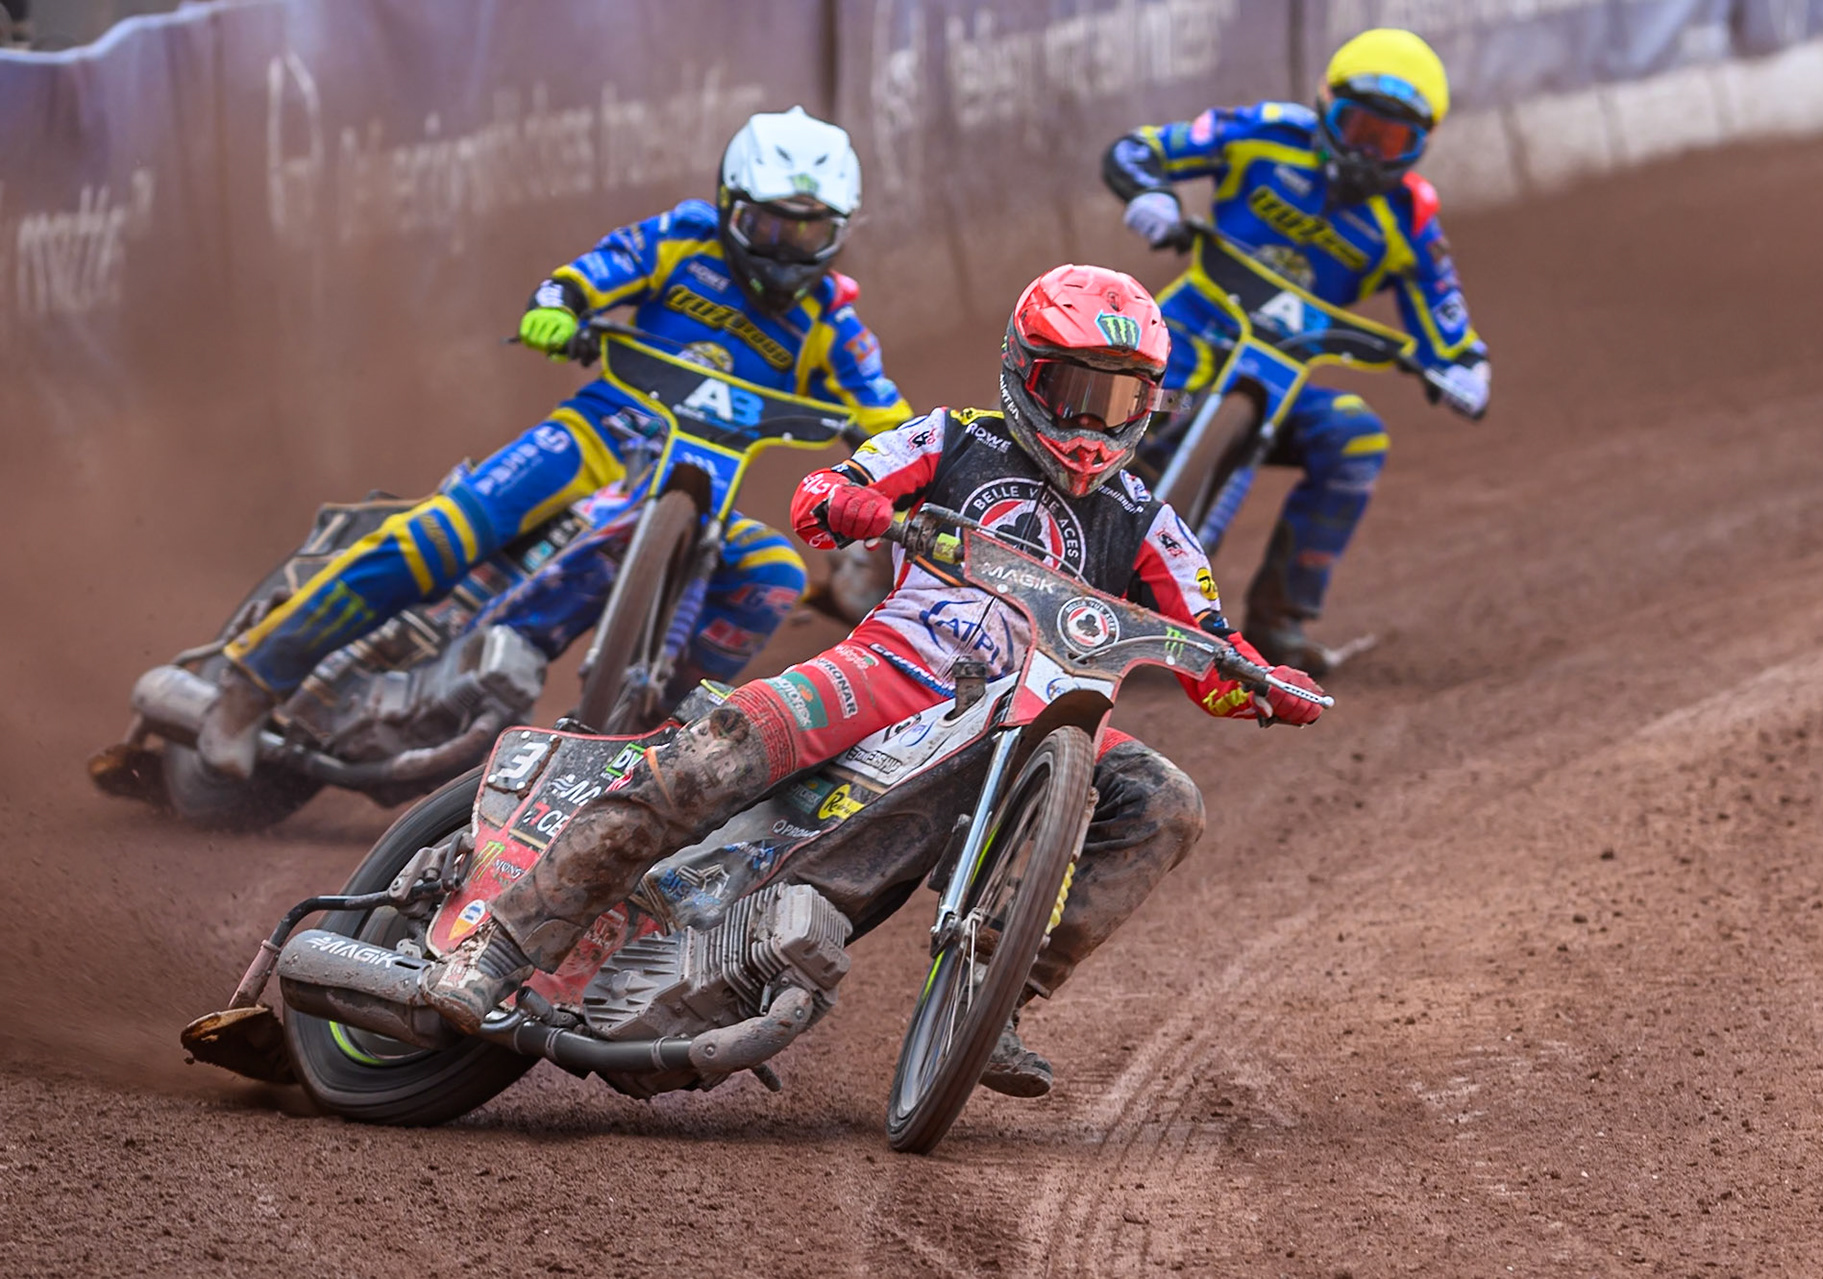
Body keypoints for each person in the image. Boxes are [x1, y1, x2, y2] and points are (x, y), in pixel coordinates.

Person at [423, 264, 1328, 1097]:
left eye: (1118, 398)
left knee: (1169, 801)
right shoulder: (953, 439)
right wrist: (859, 504)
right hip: (892, 671)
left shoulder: (1148, 521)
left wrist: (1260, 681)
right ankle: (497, 948)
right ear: (1025, 370)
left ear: (1148, 404)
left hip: (1033, 723)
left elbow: (1210, 647)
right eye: (1074, 392)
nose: (1092, 423)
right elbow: (823, 495)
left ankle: (999, 993)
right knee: (714, 755)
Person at [198, 107, 912, 778]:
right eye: (769, 225)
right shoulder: (682, 240)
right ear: (729, 206)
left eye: (809, 232)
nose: (788, 250)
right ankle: (253, 682)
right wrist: (558, 307)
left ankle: (658, 752)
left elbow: (889, 415)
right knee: (441, 533)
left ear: (840, 230)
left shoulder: (832, 321)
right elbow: (592, 273)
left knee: (776, 576)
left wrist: (902, 459)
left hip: (706, 503)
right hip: (594, 439)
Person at [1103, 27, 1491, 673]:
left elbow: (1443, 312)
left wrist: (1464, 364)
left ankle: (1280, 621)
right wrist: (1151, 195)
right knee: (1097, 400)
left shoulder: (1410, 217)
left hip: (1280, 377)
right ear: (1324, 104)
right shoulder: (1267, 132)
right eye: (1359, 125)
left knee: (1356, 437)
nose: (1369, 151)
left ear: (1421, 146)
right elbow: (1138, 150)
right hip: (1179, 337)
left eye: (1391, 139)